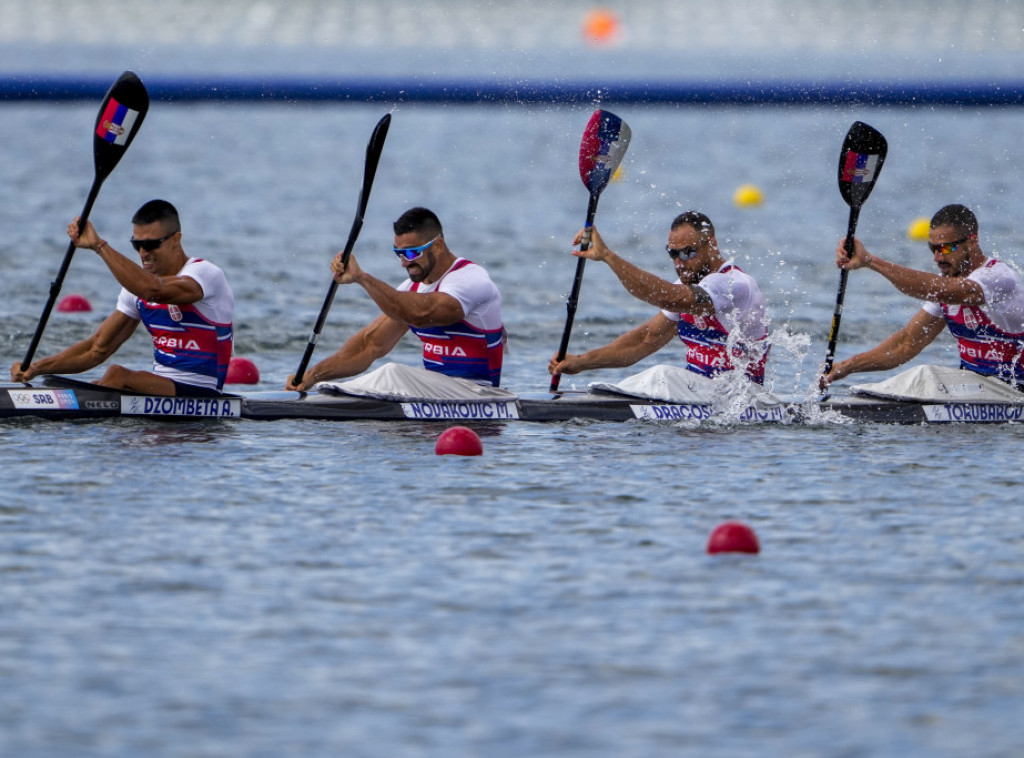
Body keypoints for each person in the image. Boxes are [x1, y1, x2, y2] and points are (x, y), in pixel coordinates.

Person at [10, 199, 234, 396]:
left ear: (176, 239)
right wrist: (37, 368)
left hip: (203, 393)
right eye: (137, 244)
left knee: (117, 375)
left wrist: (99, 246)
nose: (143, 253)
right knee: (101, 384)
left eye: (151, 244)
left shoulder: (205, 274)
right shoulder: (135, 287)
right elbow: (97, 349)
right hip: (162, 392)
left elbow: (154, 291)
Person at [287, 207, 505, 390]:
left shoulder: (470, 279)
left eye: (411, 253)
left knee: (392, 372)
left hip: (479, 395)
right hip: (437, 398)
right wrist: (313, 376)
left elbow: (421, 314)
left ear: (437, 246)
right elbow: (369, 346)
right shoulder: (412, 288)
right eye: (398, 254)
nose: (404, 263)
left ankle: (341, 394)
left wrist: (362, 278)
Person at [548, 211, 769, 384]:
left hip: (739, 397)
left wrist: (608, 257)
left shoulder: (734, 286)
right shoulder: (686, 288)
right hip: (700, 399)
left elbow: (669, 299)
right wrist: (581, 362)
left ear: (711, 243)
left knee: (661, 375)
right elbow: (644, 340)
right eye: (673, 254)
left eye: (687, 253)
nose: (679, 263)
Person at [821, 204, 1024, 388]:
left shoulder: (997, 278)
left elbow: (942, 289)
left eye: (945, 248)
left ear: (972, 242)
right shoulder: (946, 286)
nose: (937, 258)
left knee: (925, 375)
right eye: (933, 248)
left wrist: (871, 262)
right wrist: (846, 367)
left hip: (1016, 391)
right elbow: (906, 344)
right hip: (977, 388)